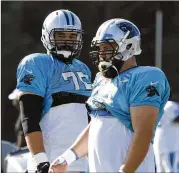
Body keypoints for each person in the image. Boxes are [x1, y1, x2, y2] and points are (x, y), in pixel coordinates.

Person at [49, 18, 171, 173]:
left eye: (107, 47)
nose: (101, 53)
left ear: (128, 45)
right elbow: (97, 125)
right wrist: (67, 158)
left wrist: (126, 170)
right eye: (100, 48)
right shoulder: (102, 79)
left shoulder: (146, 77)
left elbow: (143, 133)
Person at [16, 9, 92, 173]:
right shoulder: (37, 63)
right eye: (61, 36)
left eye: (72, 36)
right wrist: (40, 160)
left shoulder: (83, 69)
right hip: (49, 163)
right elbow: (29, 117)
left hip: (80, 164)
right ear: (47, 36)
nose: (67, 41)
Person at [153, 100, 179, 172]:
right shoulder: (170, 105)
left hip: (164, 145)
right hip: (169, 146)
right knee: (169, 170)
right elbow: (176, 119)